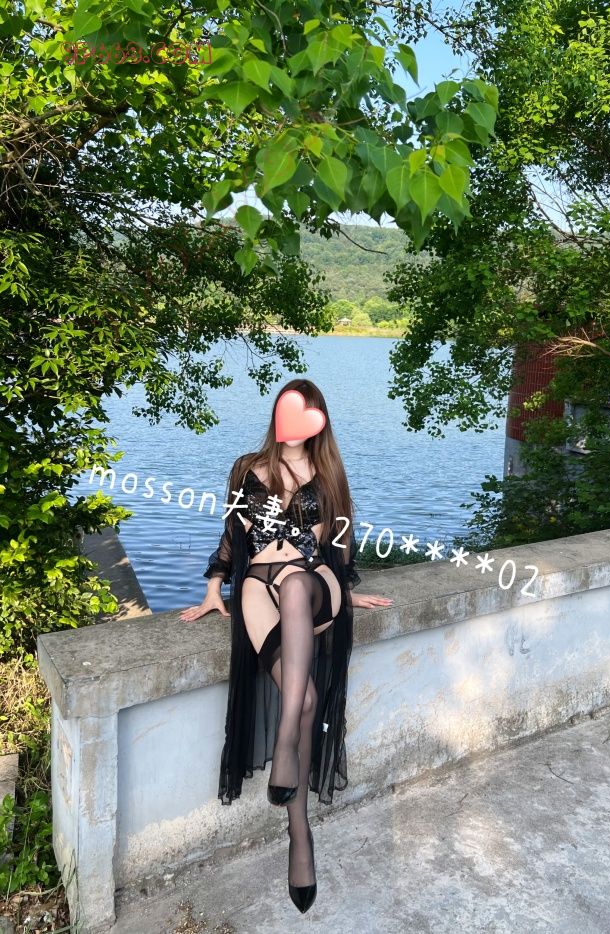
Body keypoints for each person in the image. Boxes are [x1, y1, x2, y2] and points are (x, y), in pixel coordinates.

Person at [180, 378, 393, 913]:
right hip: (257, 586)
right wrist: (214, 587)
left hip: (314, 584)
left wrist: (347, 590)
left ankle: (283, 745)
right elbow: (232, 534)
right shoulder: (246, 468)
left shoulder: (329, 474)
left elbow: (340, 543)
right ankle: (300, 833)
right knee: (306, 698)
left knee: (297, 583)